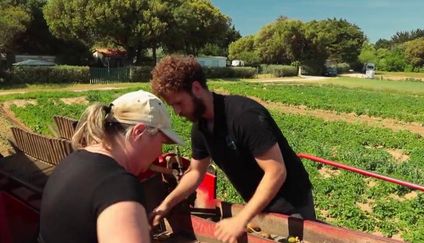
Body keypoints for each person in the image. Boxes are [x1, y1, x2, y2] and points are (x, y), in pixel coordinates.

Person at [150, 55, 316, 243]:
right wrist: (167, 204)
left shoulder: (243, 116)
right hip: (260, 205)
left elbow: (276, 172)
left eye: (179, 103)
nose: (178, 112)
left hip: (292, 205)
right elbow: (196, 172)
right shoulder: (201, 130)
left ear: (196, 88)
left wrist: (241, 219)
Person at [38, 90, 184, 243]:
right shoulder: (119, 187)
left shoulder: (70, 163)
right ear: (139, 132)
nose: (160, 151)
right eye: (161, 142)